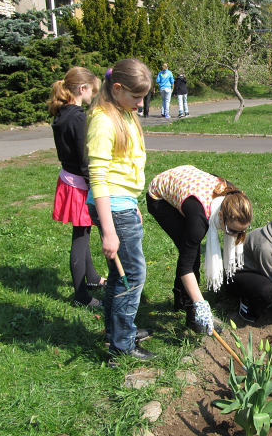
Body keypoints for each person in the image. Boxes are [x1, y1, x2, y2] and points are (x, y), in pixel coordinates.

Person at [86, 58, 155, 361]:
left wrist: (132, 203)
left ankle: (116, 332)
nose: (141, 104)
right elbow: (99, 177)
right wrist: (110, 231)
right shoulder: (103, 121)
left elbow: (123, 169)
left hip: (122, 204)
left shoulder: (124, 113)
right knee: (132, 276)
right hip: (112, 208)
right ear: (117, 88)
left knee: (118, 275)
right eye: (136, 96)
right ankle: (123, 345)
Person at [146, 165, 253, 334]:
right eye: (231, 230)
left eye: (242, 231)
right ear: (220, 216)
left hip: (188, 184)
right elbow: (185, 267)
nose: (236, 236)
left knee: (188, 247)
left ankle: (181, 300)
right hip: (159, 196)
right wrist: (200, 303)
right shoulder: (199, 222)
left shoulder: (235, 196)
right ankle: (192, 315)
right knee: (191, 254)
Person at [49, 67, 105, 307]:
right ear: (82, 89)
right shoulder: (78, 118)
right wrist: (96, 187)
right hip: (80, 184)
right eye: (92, 90)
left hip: (69, 179)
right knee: (80, 236)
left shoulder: (62, 113)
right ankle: (81, 296)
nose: (93, 95)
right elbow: (85, 158)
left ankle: (91, 278)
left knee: (83, 230)